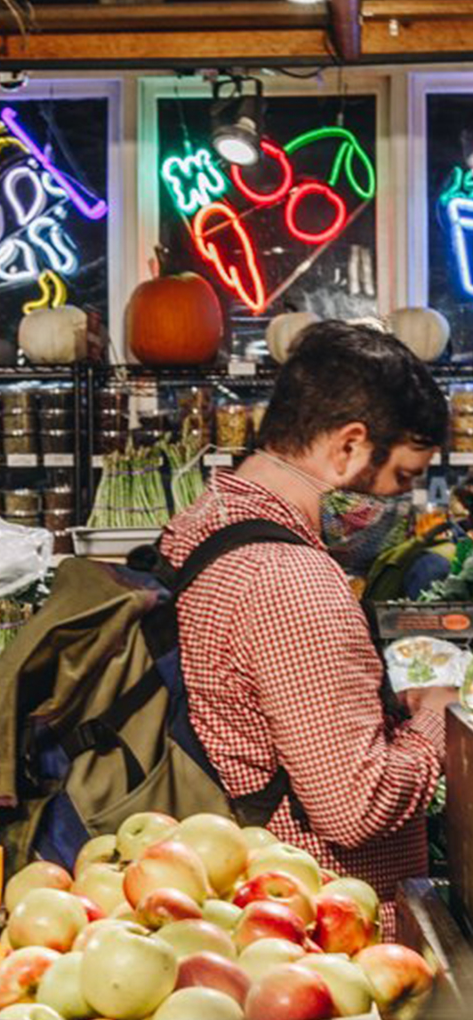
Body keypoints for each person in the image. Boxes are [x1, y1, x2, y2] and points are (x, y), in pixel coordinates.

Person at [161, 321, 452, 934]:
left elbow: (268, 707)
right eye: (401, 477)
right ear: (349, 446)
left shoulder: (209, 520)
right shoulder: (291, 581)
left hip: (264, 911)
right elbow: (355, 807)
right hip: (324, 927)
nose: (399, 505)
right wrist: (435, 718)